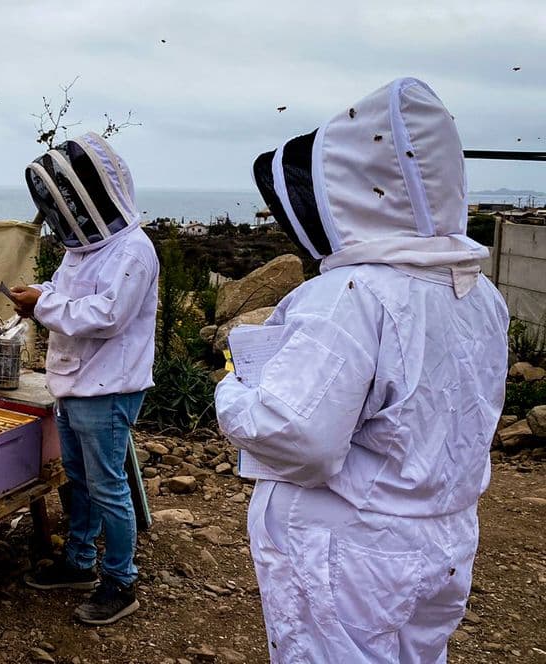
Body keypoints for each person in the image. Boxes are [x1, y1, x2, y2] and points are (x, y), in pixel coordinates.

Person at [214, 78, 509, 662]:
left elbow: (297, 437)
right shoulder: (481, 293)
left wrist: (234, 388)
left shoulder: (351, 295)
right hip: (445, 535)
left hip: (352, 551)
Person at [10, 132, 159, 625]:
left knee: (108, 487)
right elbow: (63, 290)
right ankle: (78, 562)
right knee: (80, 481)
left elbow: (108, 314)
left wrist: (43, 305)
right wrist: (37, 294)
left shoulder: (134, 250)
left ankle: (120, 581)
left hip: (109, 389)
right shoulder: (81, 249)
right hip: (73, 382)